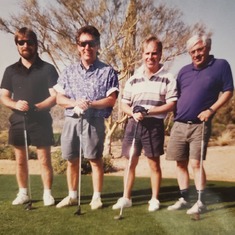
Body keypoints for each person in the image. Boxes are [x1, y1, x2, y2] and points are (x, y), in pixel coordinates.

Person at [166, 34, 234, 214]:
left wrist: (211, 110)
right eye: (192, 51)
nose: (196, 54)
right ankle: (183, 198)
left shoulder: (221, 65)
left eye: (200, 49)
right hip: (179, 124)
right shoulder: (184, 71)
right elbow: (177, 95)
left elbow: (228, 91)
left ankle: (200, 201)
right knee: (180, 163)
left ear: (208, 48)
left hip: (200, 124)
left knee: (195, 163)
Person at [54, 25, 119, 210]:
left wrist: (90, 103)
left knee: (95, 159)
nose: (87, 48)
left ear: (98, 45)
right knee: (71, 159)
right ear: (77, 46)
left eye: (91, 43)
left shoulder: (107, 71)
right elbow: (59, 98)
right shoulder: (68, 71)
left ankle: (96, 197)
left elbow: (111, 100)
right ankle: (72, 196)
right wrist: (75, 103)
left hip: (94, 121)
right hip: (71, 120)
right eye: (83, 43)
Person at [112, 35, 177, 212]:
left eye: (154, 53)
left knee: (153, 163)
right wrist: (133, 112)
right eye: (147, 53)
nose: (150, 57)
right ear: (142, 54)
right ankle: (126, 197)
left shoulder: (168, 78)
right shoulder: (134, 78)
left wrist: (148, 111)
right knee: (130, 161)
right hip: (134, 124)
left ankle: (154, 199)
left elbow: (171, 104)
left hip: (154, 125)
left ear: (160, 54)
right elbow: (124, 103)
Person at [0, 27, 58, 206]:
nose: (26, 45)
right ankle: (23, 193)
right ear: (17, 45)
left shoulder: (47, 69)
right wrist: (15, 104)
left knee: (44, 160)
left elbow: (55, 96)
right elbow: (3, 96)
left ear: (36, 44)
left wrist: (40, 106)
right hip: (18, 120)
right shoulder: (10, 70)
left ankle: (47, 193)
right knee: (20, 161)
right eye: (21, 42)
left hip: (41, 119)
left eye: (29, 42)